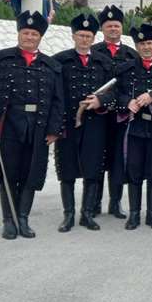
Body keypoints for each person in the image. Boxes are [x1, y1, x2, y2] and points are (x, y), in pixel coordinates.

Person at [0, 11, 64, 240]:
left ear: (40, 37)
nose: (29, 37)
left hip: (39, 127)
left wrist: (54, 130)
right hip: (9, 126)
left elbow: (58, 101)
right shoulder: (0, 60)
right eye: (26, 32)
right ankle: (8, 220)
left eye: (34, 34)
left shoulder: (52, 66)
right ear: (19, 34)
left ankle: (23, 218)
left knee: (30, 174)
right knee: (9, 173)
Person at [100, 23, 152, 230]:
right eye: (142, 44)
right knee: (134, 171)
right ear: (136, 46)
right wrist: (127, 102)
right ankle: (134, 214)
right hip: (133, 127)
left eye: (149, 43)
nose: (146, 47)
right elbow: (114, 93)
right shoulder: (125, 69)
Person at [53, 13, 114, 232]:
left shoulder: (104, 62)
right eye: (81, 35)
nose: (84, 39)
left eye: (88, 36)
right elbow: (54, 94)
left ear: (93, 38)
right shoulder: (60, 60)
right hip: (68, 124)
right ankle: (68, 215)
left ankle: (87, 214)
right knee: (67, 170)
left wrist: (100, 101)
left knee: (93, 169)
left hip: (95, 124)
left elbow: (114, 92)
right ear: (73, 36)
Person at [91, 5, 139, 218]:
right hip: (98, 115)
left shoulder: (131, 55)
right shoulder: (94, 52)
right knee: (97, 158)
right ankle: (94, 203)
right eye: (109, 25)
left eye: (116, 25)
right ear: (102, 28)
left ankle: (115, 202)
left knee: (118, 159)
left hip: (121, 115)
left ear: (122, 28)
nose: (113, 29)